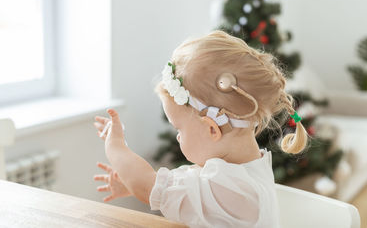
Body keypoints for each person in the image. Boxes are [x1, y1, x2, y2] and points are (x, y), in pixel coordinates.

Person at [93, 30, 308, 228]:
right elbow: (171, 184)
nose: (177, 136)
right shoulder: (243, 169)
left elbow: (148, 186)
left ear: (212, 129)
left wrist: (116, 146)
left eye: (179, 128)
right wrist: (131, 182)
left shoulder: (230, 188)